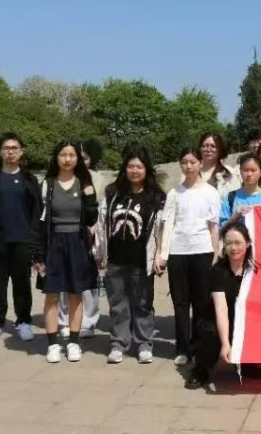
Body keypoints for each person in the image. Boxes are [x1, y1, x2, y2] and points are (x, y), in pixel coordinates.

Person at [96, 146, 166, 364]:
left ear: (147, 169)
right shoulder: (112, 193)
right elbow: (101, 224)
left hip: (141, 261)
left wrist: (159, 257)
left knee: (143, 303)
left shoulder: (156, 197)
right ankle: (119, 344)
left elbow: (161, 231)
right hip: (115, 259)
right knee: (117, 304)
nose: (135, 171)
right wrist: (99, 252)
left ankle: (144, 344)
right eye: (131, 166)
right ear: (124, 168)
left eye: (139, 167)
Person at [0, 132, 41, 344]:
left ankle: (23, 322)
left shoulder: (29, 179)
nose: (10, 152)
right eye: (6, 148)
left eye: (14, 148)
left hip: (23, 241)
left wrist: (35, 242)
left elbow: (37, 213)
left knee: (22, 285)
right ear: (0, 152)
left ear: (21, 151)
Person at [35, 140, 99, 363]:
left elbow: (91, 219)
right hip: (53, 244)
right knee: (51, 295)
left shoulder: (84, 184)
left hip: (77, 243)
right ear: (56, 157)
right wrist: (38, 254)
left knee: (75, 295)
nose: (67, 159)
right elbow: (39, 221)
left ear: (78, 159)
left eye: (72, 155)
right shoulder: (48, 185)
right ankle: (53, 344)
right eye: (63, 154)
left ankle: (73, 342)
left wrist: (90, 198)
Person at [157, 148, 222, 367]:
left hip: (202, 251)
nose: (188, 166)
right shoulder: (174, 193)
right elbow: (167, 225)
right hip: (178, 252)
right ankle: (182, 348)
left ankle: (198, 347)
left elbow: (214, 227)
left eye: (193, 162)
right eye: (184, 162)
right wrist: (162, 255)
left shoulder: (211, 192)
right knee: (180, 302)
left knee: (201, 303)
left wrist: (215, 256)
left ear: (200, 163)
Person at [187, 222, 261, 389]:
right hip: (217, 319)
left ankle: (245, 363)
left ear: (248, 243)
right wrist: (225, 343)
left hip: (243, 318)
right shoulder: (218, 271)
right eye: (229, 243)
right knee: (211, 334)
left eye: (238, 243)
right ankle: (201, 369)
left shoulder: (254, 270)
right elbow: (221, 309)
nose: (233, 248)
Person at [57, 141, 103, 340]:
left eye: (86, 158)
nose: (82, 161)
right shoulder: (61, 177)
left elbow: (101, 208)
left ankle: (88, 321)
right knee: (62, 280)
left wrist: (93, 231)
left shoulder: (97, 179)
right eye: (79, 157)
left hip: (89, 234)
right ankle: (63, 320)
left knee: (88, 281)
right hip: (64, 234)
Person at [220, 154, 261, 227]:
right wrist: (235, 216)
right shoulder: (230, 198)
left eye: (253, 170)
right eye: (245, 170)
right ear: (240, 171)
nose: (249, 174)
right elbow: (221, 227)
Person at [198, 132, 241, 199]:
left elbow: (235, 199)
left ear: (220, 150)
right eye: (205, 146)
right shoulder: (191, 172)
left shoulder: (229, 174)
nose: (208, 149)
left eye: (213, 146)